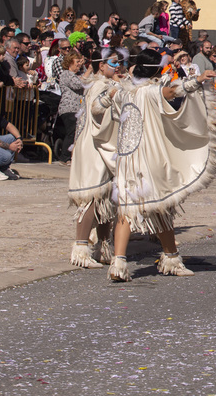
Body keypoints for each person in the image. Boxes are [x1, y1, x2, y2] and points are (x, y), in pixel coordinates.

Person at [106, 48, 216, 282]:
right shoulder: (149, 92)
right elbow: (174, 90)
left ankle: (119, 262)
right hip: (148, 155)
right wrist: (197, 79)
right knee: (160, 206)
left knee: (127, 207)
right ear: (156, 71)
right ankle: (170, 257)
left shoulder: (123, 93)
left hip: (126, 157)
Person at [68, 50, 126, 269]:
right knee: (92, 196)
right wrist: (116, 91)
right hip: (95, 145)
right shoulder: (99, 87)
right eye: (113, 63)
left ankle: (103, 246)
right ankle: (81, 248)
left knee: (107, 199)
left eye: (120, 63)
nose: (118, 66)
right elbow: (96, 111)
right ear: (101, 65)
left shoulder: (106, 84)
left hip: (104, 144)